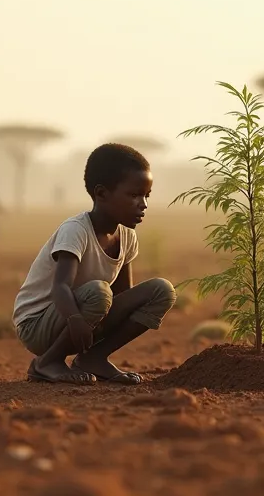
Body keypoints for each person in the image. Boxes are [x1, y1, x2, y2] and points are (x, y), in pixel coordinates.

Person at [11, 143, 176, 385]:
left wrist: (99, 322)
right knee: (99, 292)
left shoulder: (127, 237)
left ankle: (94, 358)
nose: (143, 204)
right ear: (101, 194)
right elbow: (61, 287)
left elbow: (122, 296)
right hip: (39, 324)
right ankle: (47, 362)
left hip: (85, 315)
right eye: (133, 195)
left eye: (146, 196)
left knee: (162, 290)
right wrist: (76, 320)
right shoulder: (75, 230)